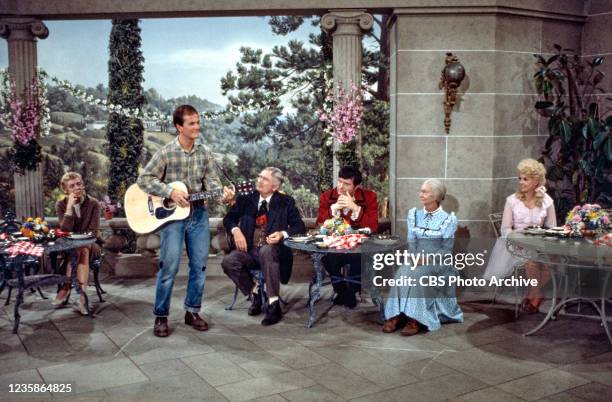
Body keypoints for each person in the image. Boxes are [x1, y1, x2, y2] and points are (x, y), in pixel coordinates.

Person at [137, 104, 234, 337]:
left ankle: (192, 311)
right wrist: (170, 192)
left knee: (199, 266)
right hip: (173, 219)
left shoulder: (205, 153)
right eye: (191, 123)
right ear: (179, 126)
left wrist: (224, 195)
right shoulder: (166, 152)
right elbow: (144, 180)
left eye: (198, 122)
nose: (197, 126)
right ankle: (161, 316)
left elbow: (211, 185)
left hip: (198, 214)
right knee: (168, 266)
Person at [221, 167, 306, 326]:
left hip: (274, 253)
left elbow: (299, 226)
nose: (259, 180)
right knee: (229, 261)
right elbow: (229, 219)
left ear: (275, 186)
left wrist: (282, 234)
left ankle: (273, 305)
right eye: (259, 176)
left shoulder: (286, 202)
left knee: (267, 250)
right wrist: (236, 230)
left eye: (265, 179)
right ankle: (255, 293)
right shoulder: (246, 199)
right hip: (250, 251)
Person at [383, 179, 463, 335]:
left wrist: (427, 259)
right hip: (417, 258)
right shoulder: (414, 215)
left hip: (438, 261)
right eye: (421, 191)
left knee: (420, 274)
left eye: (424, 192)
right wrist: (413, 258)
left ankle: (416, 319)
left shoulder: (448, 220)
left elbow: (446, 251)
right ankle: (396, 315)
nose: (420, 194)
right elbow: (412, 244)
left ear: (436, 196)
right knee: (403, 272)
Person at [483, 158, 556, 313]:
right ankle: (536, 297)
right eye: (520, 178)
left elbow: (552, 227)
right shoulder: (512, 201)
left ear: (536, 181)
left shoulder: (547, 201)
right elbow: (505, 229)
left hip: (539, 243)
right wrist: (518, 236)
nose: (521, 182)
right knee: (531, 263)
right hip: (515, 244)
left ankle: (533, 293)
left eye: (526, 179)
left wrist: (543, 237)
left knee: (554, 264)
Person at [316, 166, 379, 308]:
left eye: (347, 184)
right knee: (327, 256)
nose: (341, 186)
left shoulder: (369, 197)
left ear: (356, 186)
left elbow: (373, 226)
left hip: (357, 247)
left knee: (361, 255)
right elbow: (319, 223)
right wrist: (333, 210)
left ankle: (351, 290)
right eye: (339, 181)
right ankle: (341, 290)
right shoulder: (327, 196)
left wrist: (356, 208)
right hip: (334, 248)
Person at [55, 171, 101, 315]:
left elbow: (93, 232)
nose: (77, 187)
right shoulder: (61, 204)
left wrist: (76, 238)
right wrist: (69, 208)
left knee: (83, 249)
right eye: (72, 186)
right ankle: (82, 298)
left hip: (92, 244)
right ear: (66, 190)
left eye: (79, 183)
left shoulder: (93, 203)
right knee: (78, 250)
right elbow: (64, 230)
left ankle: (68, 287)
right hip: (71, 246)